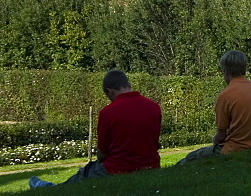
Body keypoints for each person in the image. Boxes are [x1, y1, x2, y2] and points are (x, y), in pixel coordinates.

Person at [29, 70, 161, 188]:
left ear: (110, 91)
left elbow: (103, 152)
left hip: (119, 167)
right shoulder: (154, 107)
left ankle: (51, 188)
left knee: (84, 173)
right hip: (151, 165)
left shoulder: (108, 112)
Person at [179, 50, 251, 164]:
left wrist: (214, 141)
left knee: (190, 158)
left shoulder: (225, 96)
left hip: (235, 149)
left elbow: (221, 135)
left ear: (225, 71)